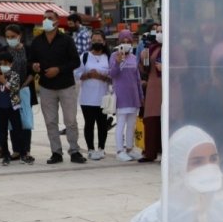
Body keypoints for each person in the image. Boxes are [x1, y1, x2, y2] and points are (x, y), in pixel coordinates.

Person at [27, 9, 85, 164]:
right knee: (50, 121)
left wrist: (58, 69)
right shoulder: (37, 41)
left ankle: (74, 151)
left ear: (57, 21)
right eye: (44, 17)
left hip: (66, 85)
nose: (46, 20)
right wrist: (35, 66)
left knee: (70, 120)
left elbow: (76, 62)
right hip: (46, 87)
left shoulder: (66, 40)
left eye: (50, 18)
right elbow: (30, 61)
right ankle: (56, 152)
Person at [1, 24, 34, 162]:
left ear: (19, 36)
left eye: (13, 37)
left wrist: (23, 85)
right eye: (8, 37)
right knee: (13, 120)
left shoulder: (28, 50)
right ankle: (15, 150)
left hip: (24, 88)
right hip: (9, 89)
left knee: (25, 120)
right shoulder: (4, 50)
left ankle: (25, 150)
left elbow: (33, 70)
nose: (10, 39)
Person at [109, 31, 144, 161]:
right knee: (121, 124)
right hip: (121, 96)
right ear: (119, 42)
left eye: (128, 41)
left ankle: (130, 148)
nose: (126, 43)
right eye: (123, 41)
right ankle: (119, 150)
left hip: (133, 96)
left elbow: (137, 79)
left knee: (131, 124)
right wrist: (117, 62)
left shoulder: (134, 58)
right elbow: (112, 74)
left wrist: (140, 95)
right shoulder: (114, 56)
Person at [0, 50, 27, 166]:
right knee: (2, 132)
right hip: (0, 108)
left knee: (18, 130)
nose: (3, 66)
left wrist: (4, 81)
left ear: (11, 64)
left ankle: (23, 153)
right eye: (0, 64)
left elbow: (15, 89)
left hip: (13, 107)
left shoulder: (14, 75)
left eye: (5, 64)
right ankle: (5, 154)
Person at [78, 30, 111, 160]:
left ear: (104, 42)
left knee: (102, 125)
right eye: (94, 40)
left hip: (103, 97)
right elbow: (76, 74)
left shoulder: (108, 57)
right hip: (87, 98)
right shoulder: (85, 56)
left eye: (99, 40)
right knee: (89, 124)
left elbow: (113, 77)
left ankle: (101, 148)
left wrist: (101, 76)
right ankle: (90, 149)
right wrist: (87, 75)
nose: (96, 43)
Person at [139, 26, 163, 163]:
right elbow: (144, 68)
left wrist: (166, 68)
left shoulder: (175, 48)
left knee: (167, 120)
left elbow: (182, 67)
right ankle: (150, 152)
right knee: (151, 119)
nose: (159, 34)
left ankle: (167, 151)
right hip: (154, 87)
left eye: (162, 31)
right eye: (157, 31)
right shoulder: (152, 48)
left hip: (170, 88)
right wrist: (144, 56)